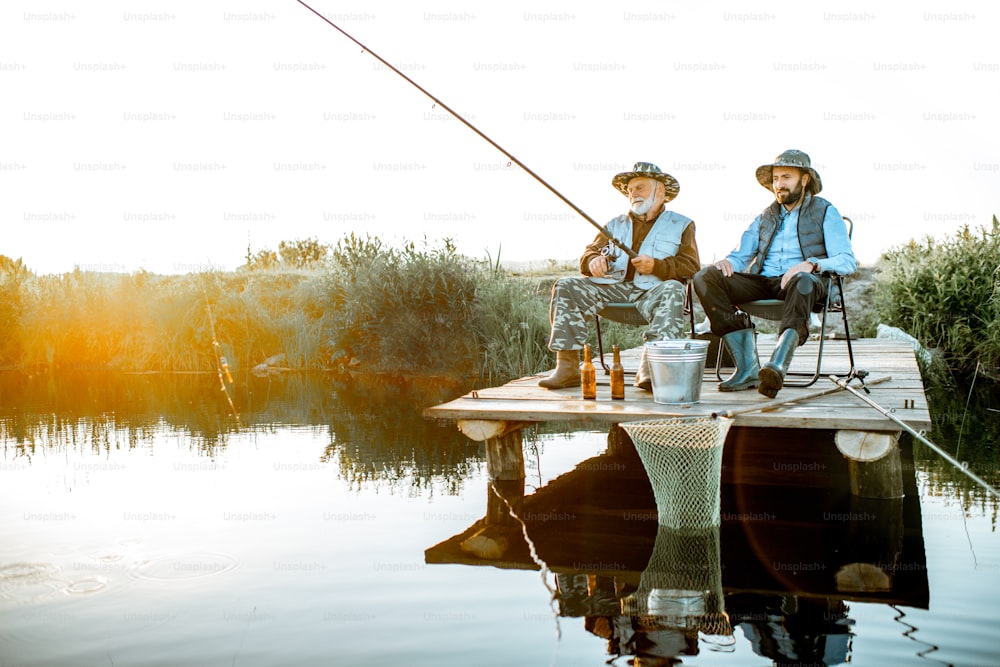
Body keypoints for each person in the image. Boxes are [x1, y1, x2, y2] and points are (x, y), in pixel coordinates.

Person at [692, 149, 856, 398]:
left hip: (805, 284)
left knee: (802, 280)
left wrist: (811, 264)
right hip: (764, 281)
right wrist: (727, 262)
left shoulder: (826, 211)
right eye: (776, 178)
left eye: (786, 177)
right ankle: (747, 367)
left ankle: (777, 365)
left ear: (804, 180)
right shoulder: (765, 217)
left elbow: (847, 261)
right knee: (704, 277)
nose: (779, 184)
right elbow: (740, 256)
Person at [538, 162, 700, 390]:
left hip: (654, 291)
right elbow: (589, 253)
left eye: (640, 188)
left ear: (660, 191)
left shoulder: (682, 224)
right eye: (630, 190)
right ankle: (567, 368)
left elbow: (691, 266)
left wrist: (657, 266)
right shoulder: (614, 224)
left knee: (673, 289)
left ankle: (654, 369)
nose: (633, 194)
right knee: (566, 285)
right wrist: (593, 261)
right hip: (613, 288)